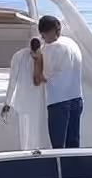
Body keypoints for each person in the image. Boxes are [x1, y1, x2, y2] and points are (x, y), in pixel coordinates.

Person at [36, 14, 83, 148]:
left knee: (58, 146)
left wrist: (37, 59)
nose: (43, 39)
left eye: (44, 36)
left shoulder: (51, 48)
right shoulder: (71, 42)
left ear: (44, 32)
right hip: (76, 99)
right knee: (73, 144)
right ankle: (74, 168)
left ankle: (60, 168)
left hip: (58, 102)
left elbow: (42, 76)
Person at [0, 37, 50, 150]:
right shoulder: (43, 55)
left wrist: (7, 103)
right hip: (37, 101)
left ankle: (29, 153)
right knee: (37, 130)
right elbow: (13, 80)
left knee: (27, 132)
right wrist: (7, 103)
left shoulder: (20, 56)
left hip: (29, 101)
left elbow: (12, 81)